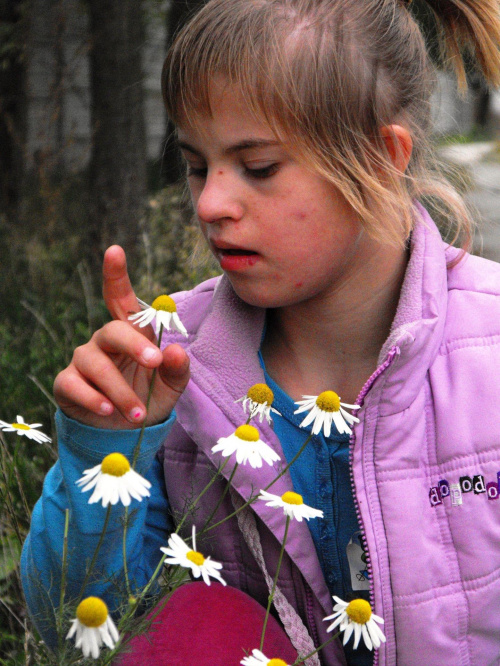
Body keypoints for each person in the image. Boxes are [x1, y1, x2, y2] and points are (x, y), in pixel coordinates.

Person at [21, 0, 500, 664]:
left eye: (259, 166)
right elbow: (71, 630)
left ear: (382, 156)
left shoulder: (490, 354)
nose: (211, 203)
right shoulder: (173, 368)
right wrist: (106, 447)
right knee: (201, 620)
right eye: (196, 165)